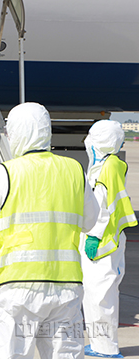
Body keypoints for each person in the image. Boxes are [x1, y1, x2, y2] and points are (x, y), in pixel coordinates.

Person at [0, 102, 101, 359]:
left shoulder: (4, 174)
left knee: (11, 353)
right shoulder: (74, 170)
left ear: (17, 133)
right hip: (66, 286)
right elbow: (90, 220)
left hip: (18, 286)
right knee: (65, 353)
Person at [81, 120, 137, 358]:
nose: (87, 141)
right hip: (109, 239)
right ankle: (99, 344)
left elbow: (104, 205)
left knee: (100, 295)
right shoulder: (107, 163)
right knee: (99, 295)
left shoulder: (109, 167)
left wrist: (93, 235)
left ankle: (105, 348)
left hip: (103, 242)